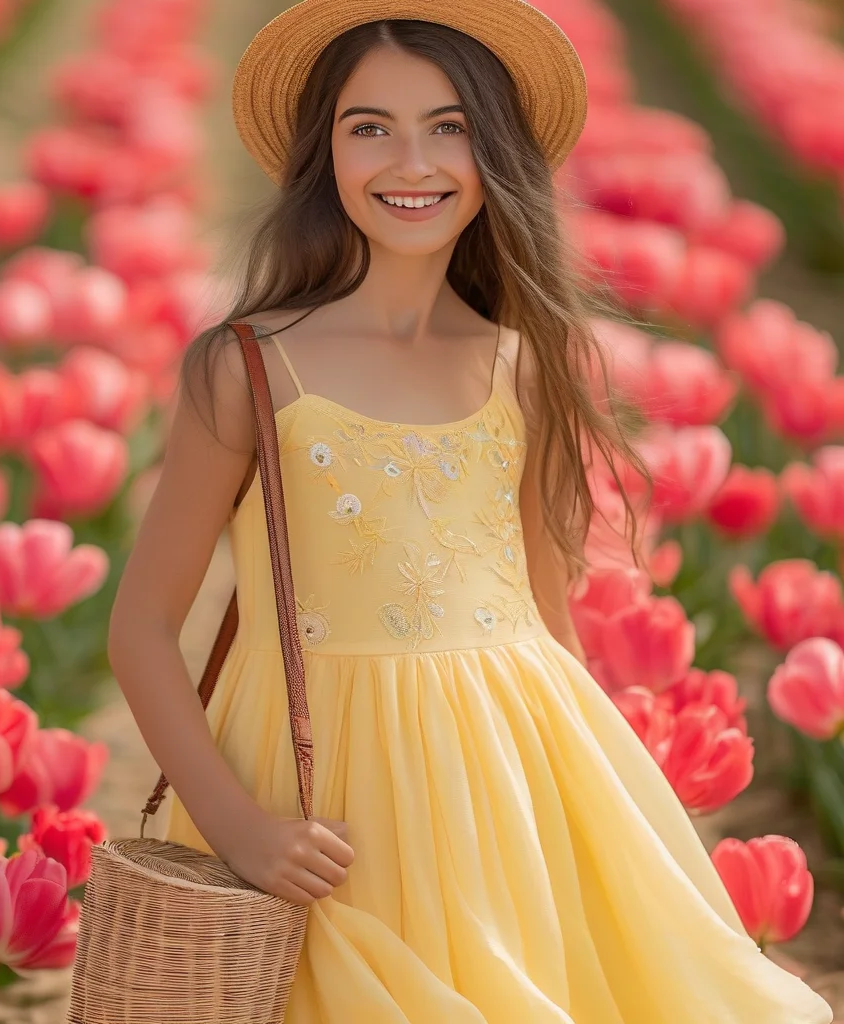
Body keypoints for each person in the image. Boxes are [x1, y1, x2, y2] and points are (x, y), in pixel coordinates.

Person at [108, 2, 834, 1020]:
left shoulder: (523, 365)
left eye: (448, 126)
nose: (411, 160)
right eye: (370, 127)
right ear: (324, 153)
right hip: (311, 787)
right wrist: (237, 825)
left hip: (496, 783)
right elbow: (141, 627)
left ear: (495, 152)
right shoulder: (247, 367)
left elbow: (545, 620)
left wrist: (601, 814)